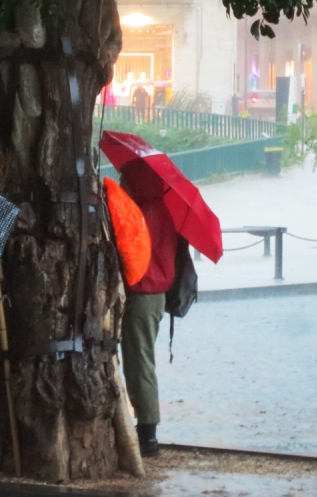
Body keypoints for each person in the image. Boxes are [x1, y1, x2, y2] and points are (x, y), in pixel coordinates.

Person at [119, 164, 178, 457]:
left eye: (125, 179)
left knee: (139, 361)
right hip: (153, 295)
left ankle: (147, 433)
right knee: (138, 359)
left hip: (143, 295)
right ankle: (145, 428)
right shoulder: (160, 208)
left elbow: (131, 250)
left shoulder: (147, 213)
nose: (122, 184)